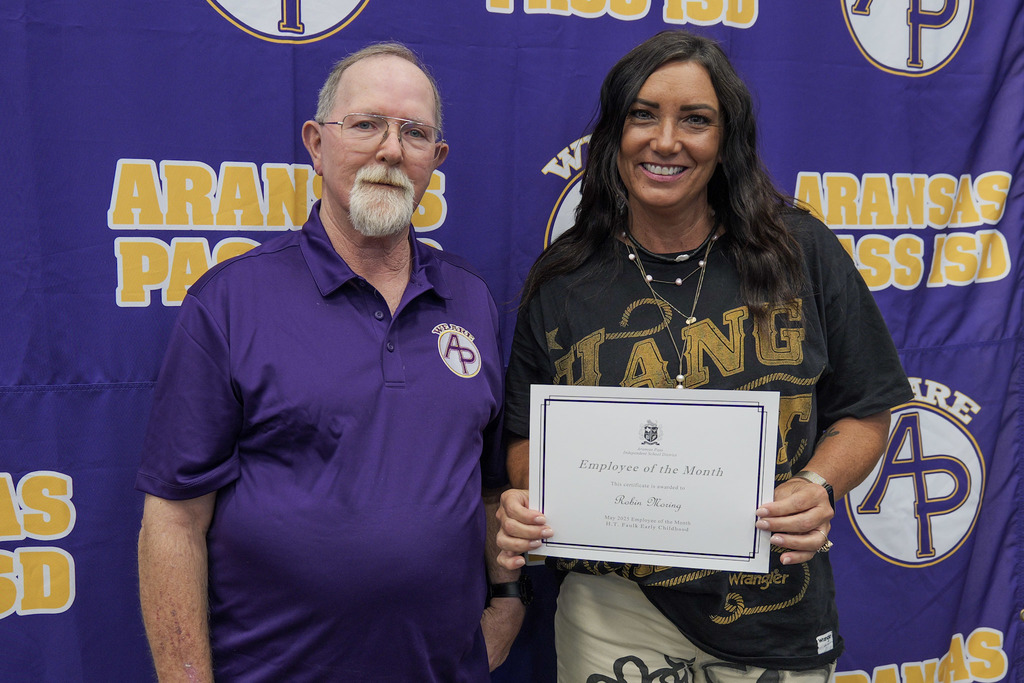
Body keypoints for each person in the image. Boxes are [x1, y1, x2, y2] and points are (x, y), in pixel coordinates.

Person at [495, 30, 913, 682]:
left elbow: (866, 408)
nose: (666, 140)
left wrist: (818, 483)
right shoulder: (562, 278)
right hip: (614, 609)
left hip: (778, 612)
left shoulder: (801, 251)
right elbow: (521, 437)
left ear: (726, 143)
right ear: (613, 134)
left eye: (695, 119)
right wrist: (534, 492)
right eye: (643, 114)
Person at [136, 42, 524, 682]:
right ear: (316, 144)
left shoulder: (472, 298)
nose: (391, 150)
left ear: (436, 160)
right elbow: (173, 519)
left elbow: (485, 489)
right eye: (367, 124)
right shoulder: (231, 301)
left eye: (415, 133)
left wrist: (508, 600)